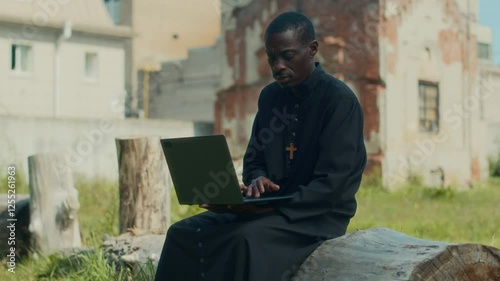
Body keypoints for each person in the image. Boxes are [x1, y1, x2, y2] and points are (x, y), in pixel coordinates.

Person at [154, 11, 367, 281]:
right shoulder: (270, 97)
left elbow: (334, 184)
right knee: (182, 233)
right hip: (267, 210)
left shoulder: (338, 100)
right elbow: (254, 158)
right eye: (271, 58)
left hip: (316, 216)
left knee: (243, 240)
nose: (278, 66)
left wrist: (272, 208)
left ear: (312, 49)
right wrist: (258, 181)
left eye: (287, 56)